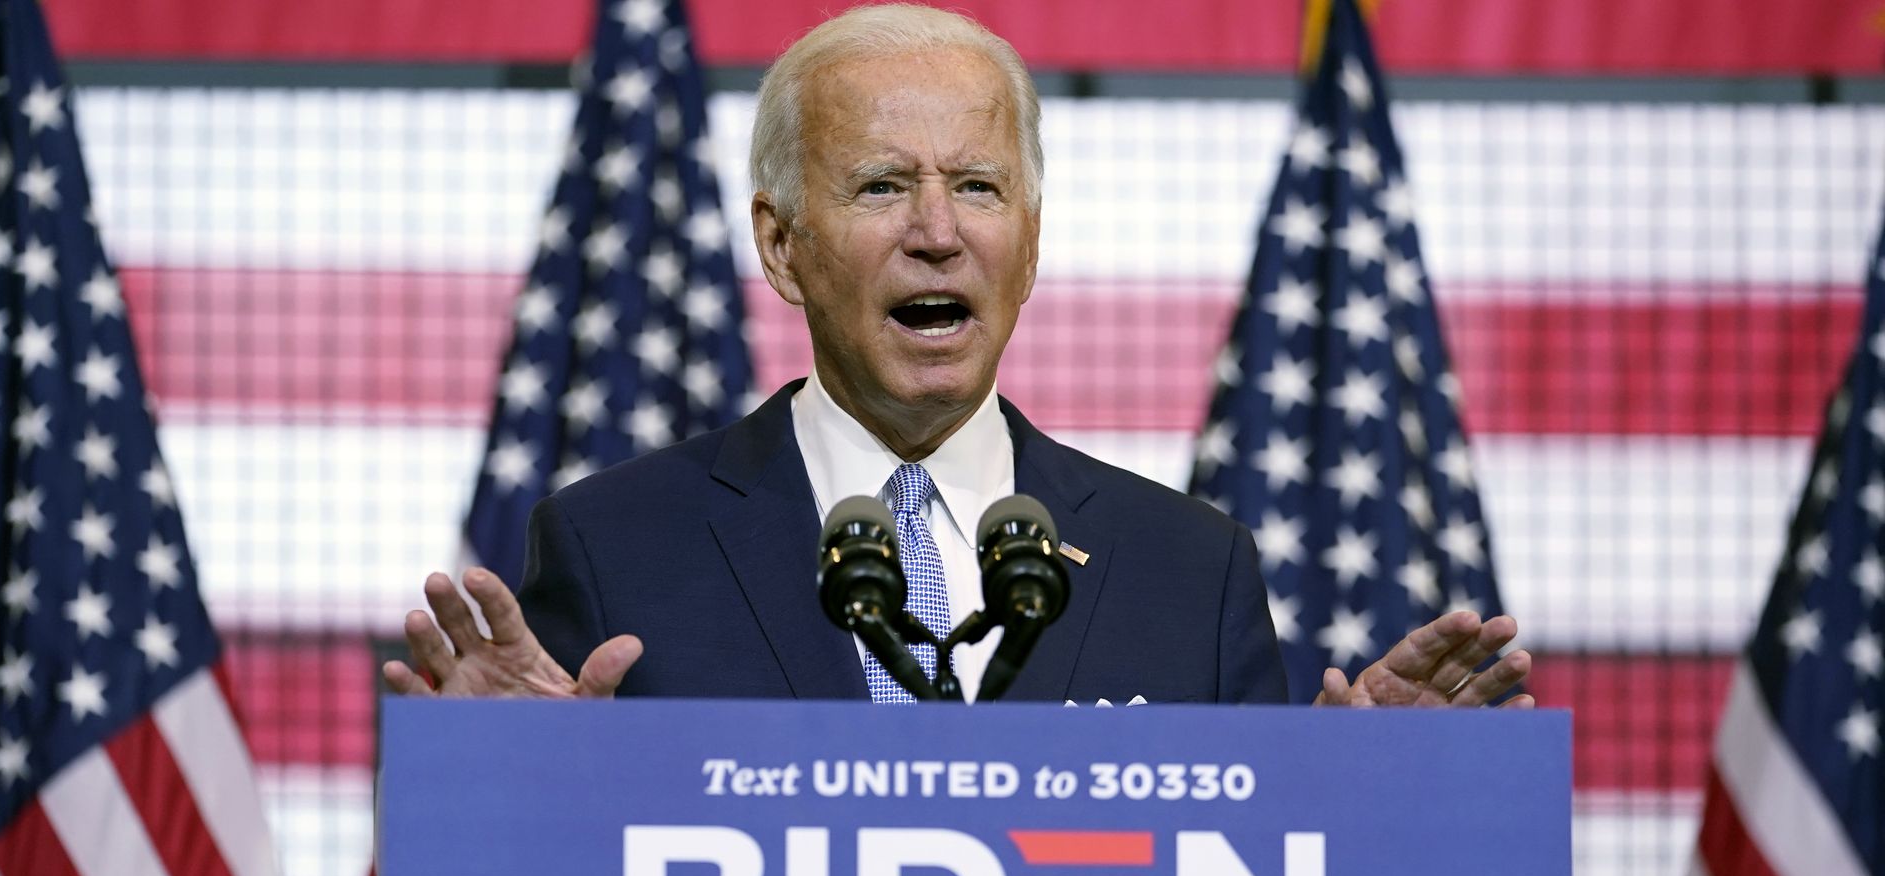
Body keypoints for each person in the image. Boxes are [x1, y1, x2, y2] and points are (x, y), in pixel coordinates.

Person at [381, 3, 1535, 711]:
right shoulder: (614, 545)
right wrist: (515, 784)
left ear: (1027, 244)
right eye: (883, 185)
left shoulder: (1192, 570)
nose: (939, 230)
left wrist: (1352, 795)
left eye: (978, 188)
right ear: (780, 245)